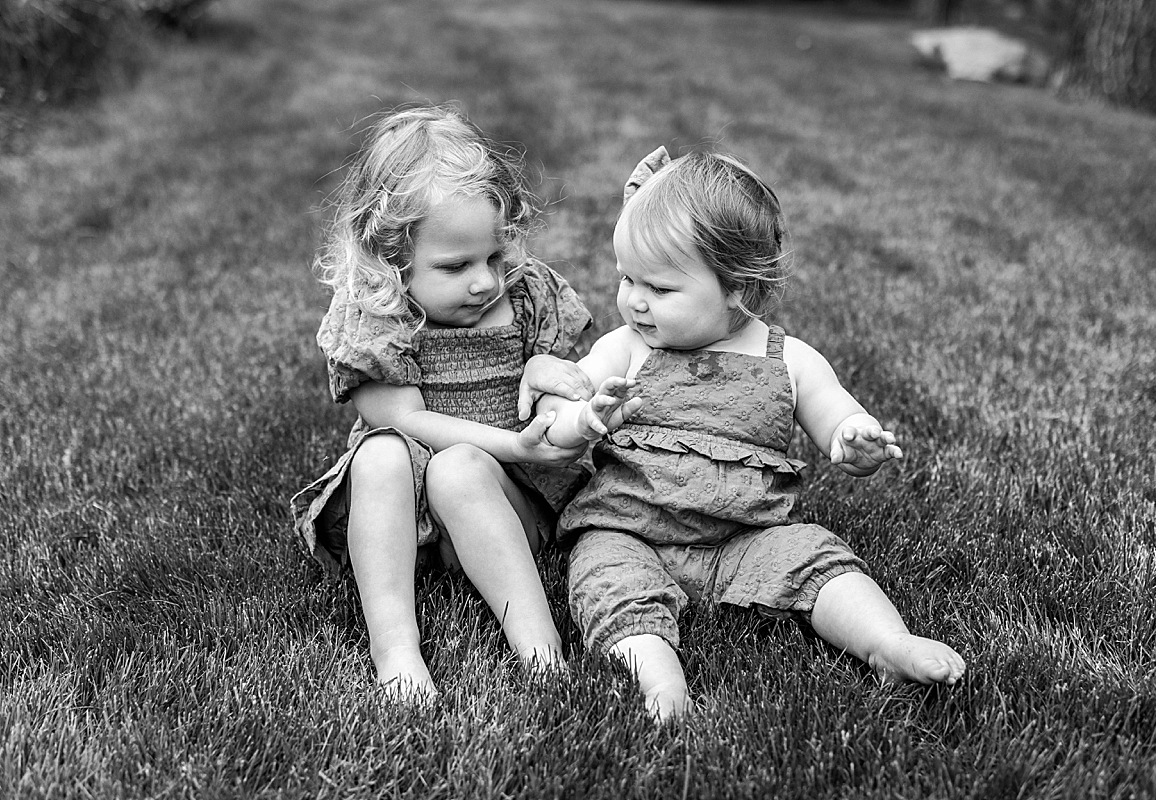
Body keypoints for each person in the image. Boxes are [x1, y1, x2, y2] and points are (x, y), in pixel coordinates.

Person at [537, 147, 966, 722]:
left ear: (738, 288)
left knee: (816, 556)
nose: (634, 301)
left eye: (659, 289)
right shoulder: (626, 347)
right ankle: (661, 686)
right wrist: (583, 419)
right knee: (607, 578)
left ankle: (887, 644)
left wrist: (853, 437)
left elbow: (836, 420)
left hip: (742, 540)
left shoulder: (790, 359)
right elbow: (559, 420)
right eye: (626, 279)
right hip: (628, 528)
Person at [290, 104, 595, 701]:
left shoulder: (529, 298)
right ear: (391, 260)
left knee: (459, 469)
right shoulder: (378, 316)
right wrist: (511, 439)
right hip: (406, 525)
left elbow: (571, 397)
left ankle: (540, 651)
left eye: (494, 258)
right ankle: (396, 652)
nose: (485, 282)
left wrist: (554, 394)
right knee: (381, 455)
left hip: (507, 509)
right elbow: (404, 419)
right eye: (456, 266)